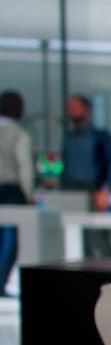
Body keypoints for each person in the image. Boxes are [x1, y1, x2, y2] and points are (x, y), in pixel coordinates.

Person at [0, 91, 33, 295]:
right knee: (11, 238)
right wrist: (29, 195)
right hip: (11, 191)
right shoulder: (19, 134)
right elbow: (24, 167)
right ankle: (1, 280)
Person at [59, 95, 111, 212]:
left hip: (93, 189)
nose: (71, 111)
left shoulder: (101, 137)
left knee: (94, 227)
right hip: (70, 188)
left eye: (75, 107)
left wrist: (104, 189)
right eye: (70, 108)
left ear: (86, 110)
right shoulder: (68, 138)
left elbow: (108, 165)